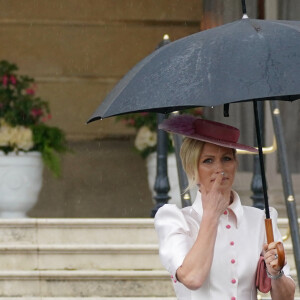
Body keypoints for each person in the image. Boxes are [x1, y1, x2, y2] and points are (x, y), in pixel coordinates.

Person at [154, 114, 295, 300]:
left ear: (236, 164)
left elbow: (286, 298)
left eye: (227, 159)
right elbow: (192, 278)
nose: (219, 168)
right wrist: (211, 214)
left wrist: (276, 274)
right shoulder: (174, 220)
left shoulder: (260, 220)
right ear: (191, 167)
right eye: (208, 161)